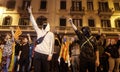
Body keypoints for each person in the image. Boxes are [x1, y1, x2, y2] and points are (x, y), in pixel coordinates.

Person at [28, 6, 54, 72]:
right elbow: (34, 23)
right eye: (43, 25)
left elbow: (52, 45)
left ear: (48, 26)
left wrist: (50, 55)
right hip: (37, 53)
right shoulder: (39, 31)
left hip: (45, 54)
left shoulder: (51, 34)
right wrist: (31, 13)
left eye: (46, 25)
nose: (44, 25)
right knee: (36, 69)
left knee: (45, 70)